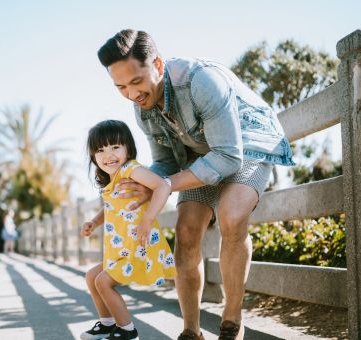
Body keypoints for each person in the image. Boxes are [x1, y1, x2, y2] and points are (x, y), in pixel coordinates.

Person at [97, 30, 295, 340]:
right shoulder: (142, 107)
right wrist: (148, 181)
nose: (131, 93)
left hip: (247, 146)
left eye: (136, 81)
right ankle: (191, 331)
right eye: (121, 86)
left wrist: (161, 184)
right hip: (199, 155)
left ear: (158, 65)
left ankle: (232, 319)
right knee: (186, 231)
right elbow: (164, 161)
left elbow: (229, 156)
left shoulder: (201, 80)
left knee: (231, 216)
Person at [80, 120, 176, 340]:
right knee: (92, 276)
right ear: (93, 156)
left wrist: (148, 219)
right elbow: (112, 209)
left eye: (115, 147)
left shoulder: (130, 170)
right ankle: (106, 324)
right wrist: (94, 222)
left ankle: (127, 332)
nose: (108, 155)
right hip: (123, 250)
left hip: (138, 247)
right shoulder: (112, 179)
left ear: (128, 148)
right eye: (100, 150)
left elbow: (162, 185)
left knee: (103, 282)